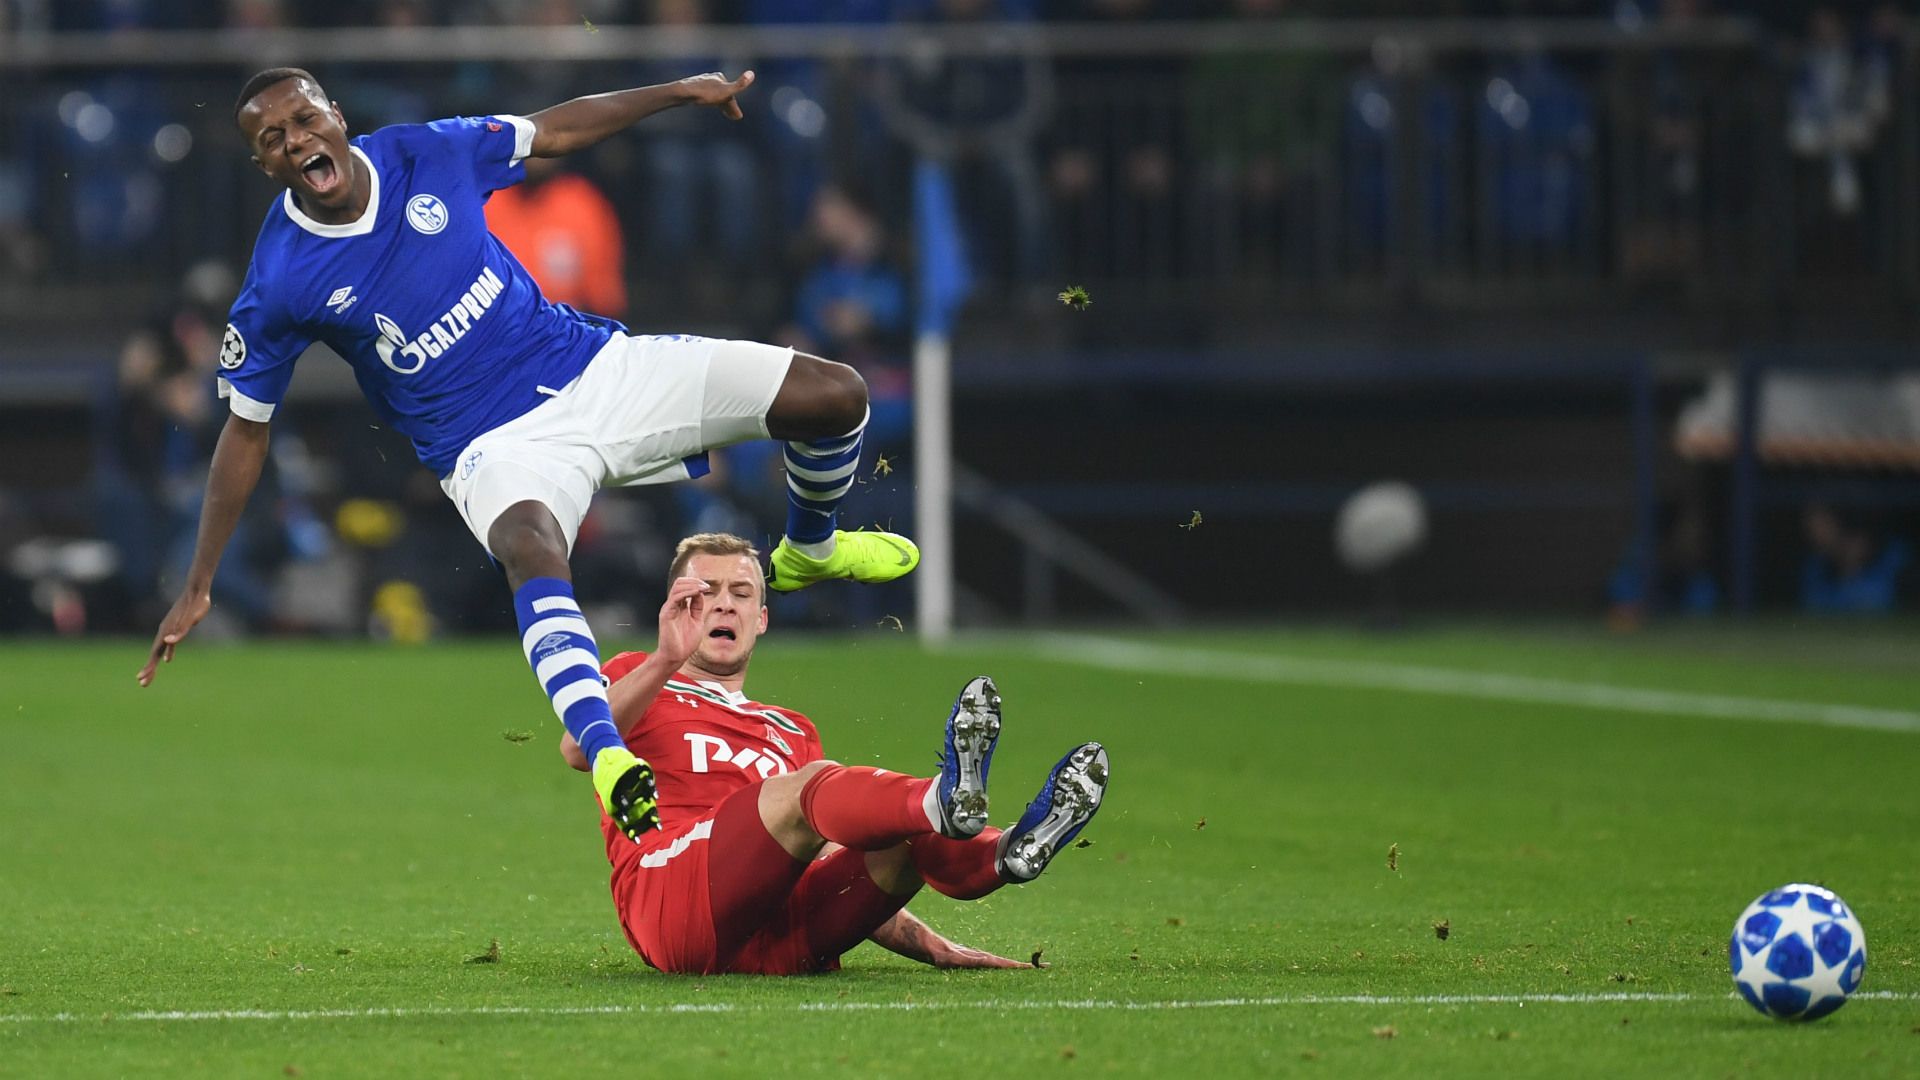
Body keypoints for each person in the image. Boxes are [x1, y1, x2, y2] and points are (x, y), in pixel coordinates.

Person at [135, 67, 922, 847]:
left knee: (835, 394)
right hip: (490, 445)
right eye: (273, 138)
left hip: (596, 368)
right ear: (263, 163)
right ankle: (608, 754)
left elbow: (555, 129)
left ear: (335, 115)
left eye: (305, 119)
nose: (295, 139)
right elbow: (245, 430)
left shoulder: (425, 152)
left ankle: (810, 549)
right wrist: (199, 582)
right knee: (530, 546)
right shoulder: (280, 278)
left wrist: (678, 92)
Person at [562, 532, 1109, 975]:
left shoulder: (790, 728)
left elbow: (829, 864)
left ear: (761, 619)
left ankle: (1005, 854)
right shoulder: (637, 674)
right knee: (817, 786)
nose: (724, 602)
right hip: (672, 902)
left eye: (742, 593)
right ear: (677, 606)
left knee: (897, 830)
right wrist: (664, 658)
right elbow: (577, 749)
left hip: (780, 941)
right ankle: (939, 802)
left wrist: (932, 945)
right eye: (705, 591)